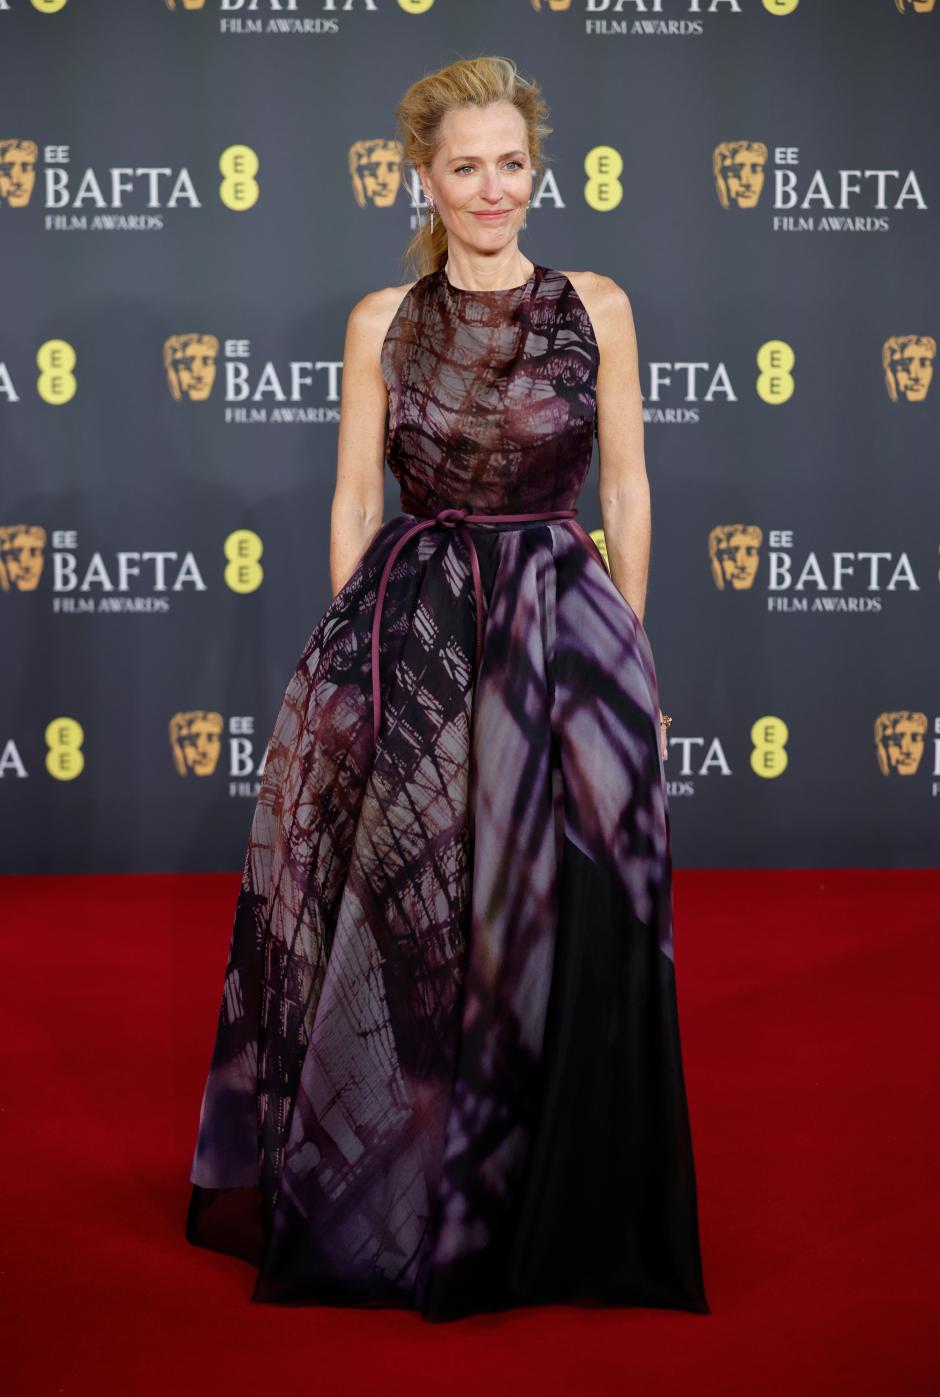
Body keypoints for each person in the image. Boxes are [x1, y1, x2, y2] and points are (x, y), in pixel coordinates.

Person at [185, 54, 709, 1325]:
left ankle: (555, 1204)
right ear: (421, 175)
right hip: (415, 626)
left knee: (560, 918)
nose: (490, 188)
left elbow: (628, 489)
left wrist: (625, 648)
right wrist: (350, 653)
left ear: (538, 168)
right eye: (464, 166)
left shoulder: (598, 305)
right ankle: (414, 1200)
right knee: (416, 922)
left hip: (557, 620)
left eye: (510, 163)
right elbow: (358, 496)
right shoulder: (386, 319)